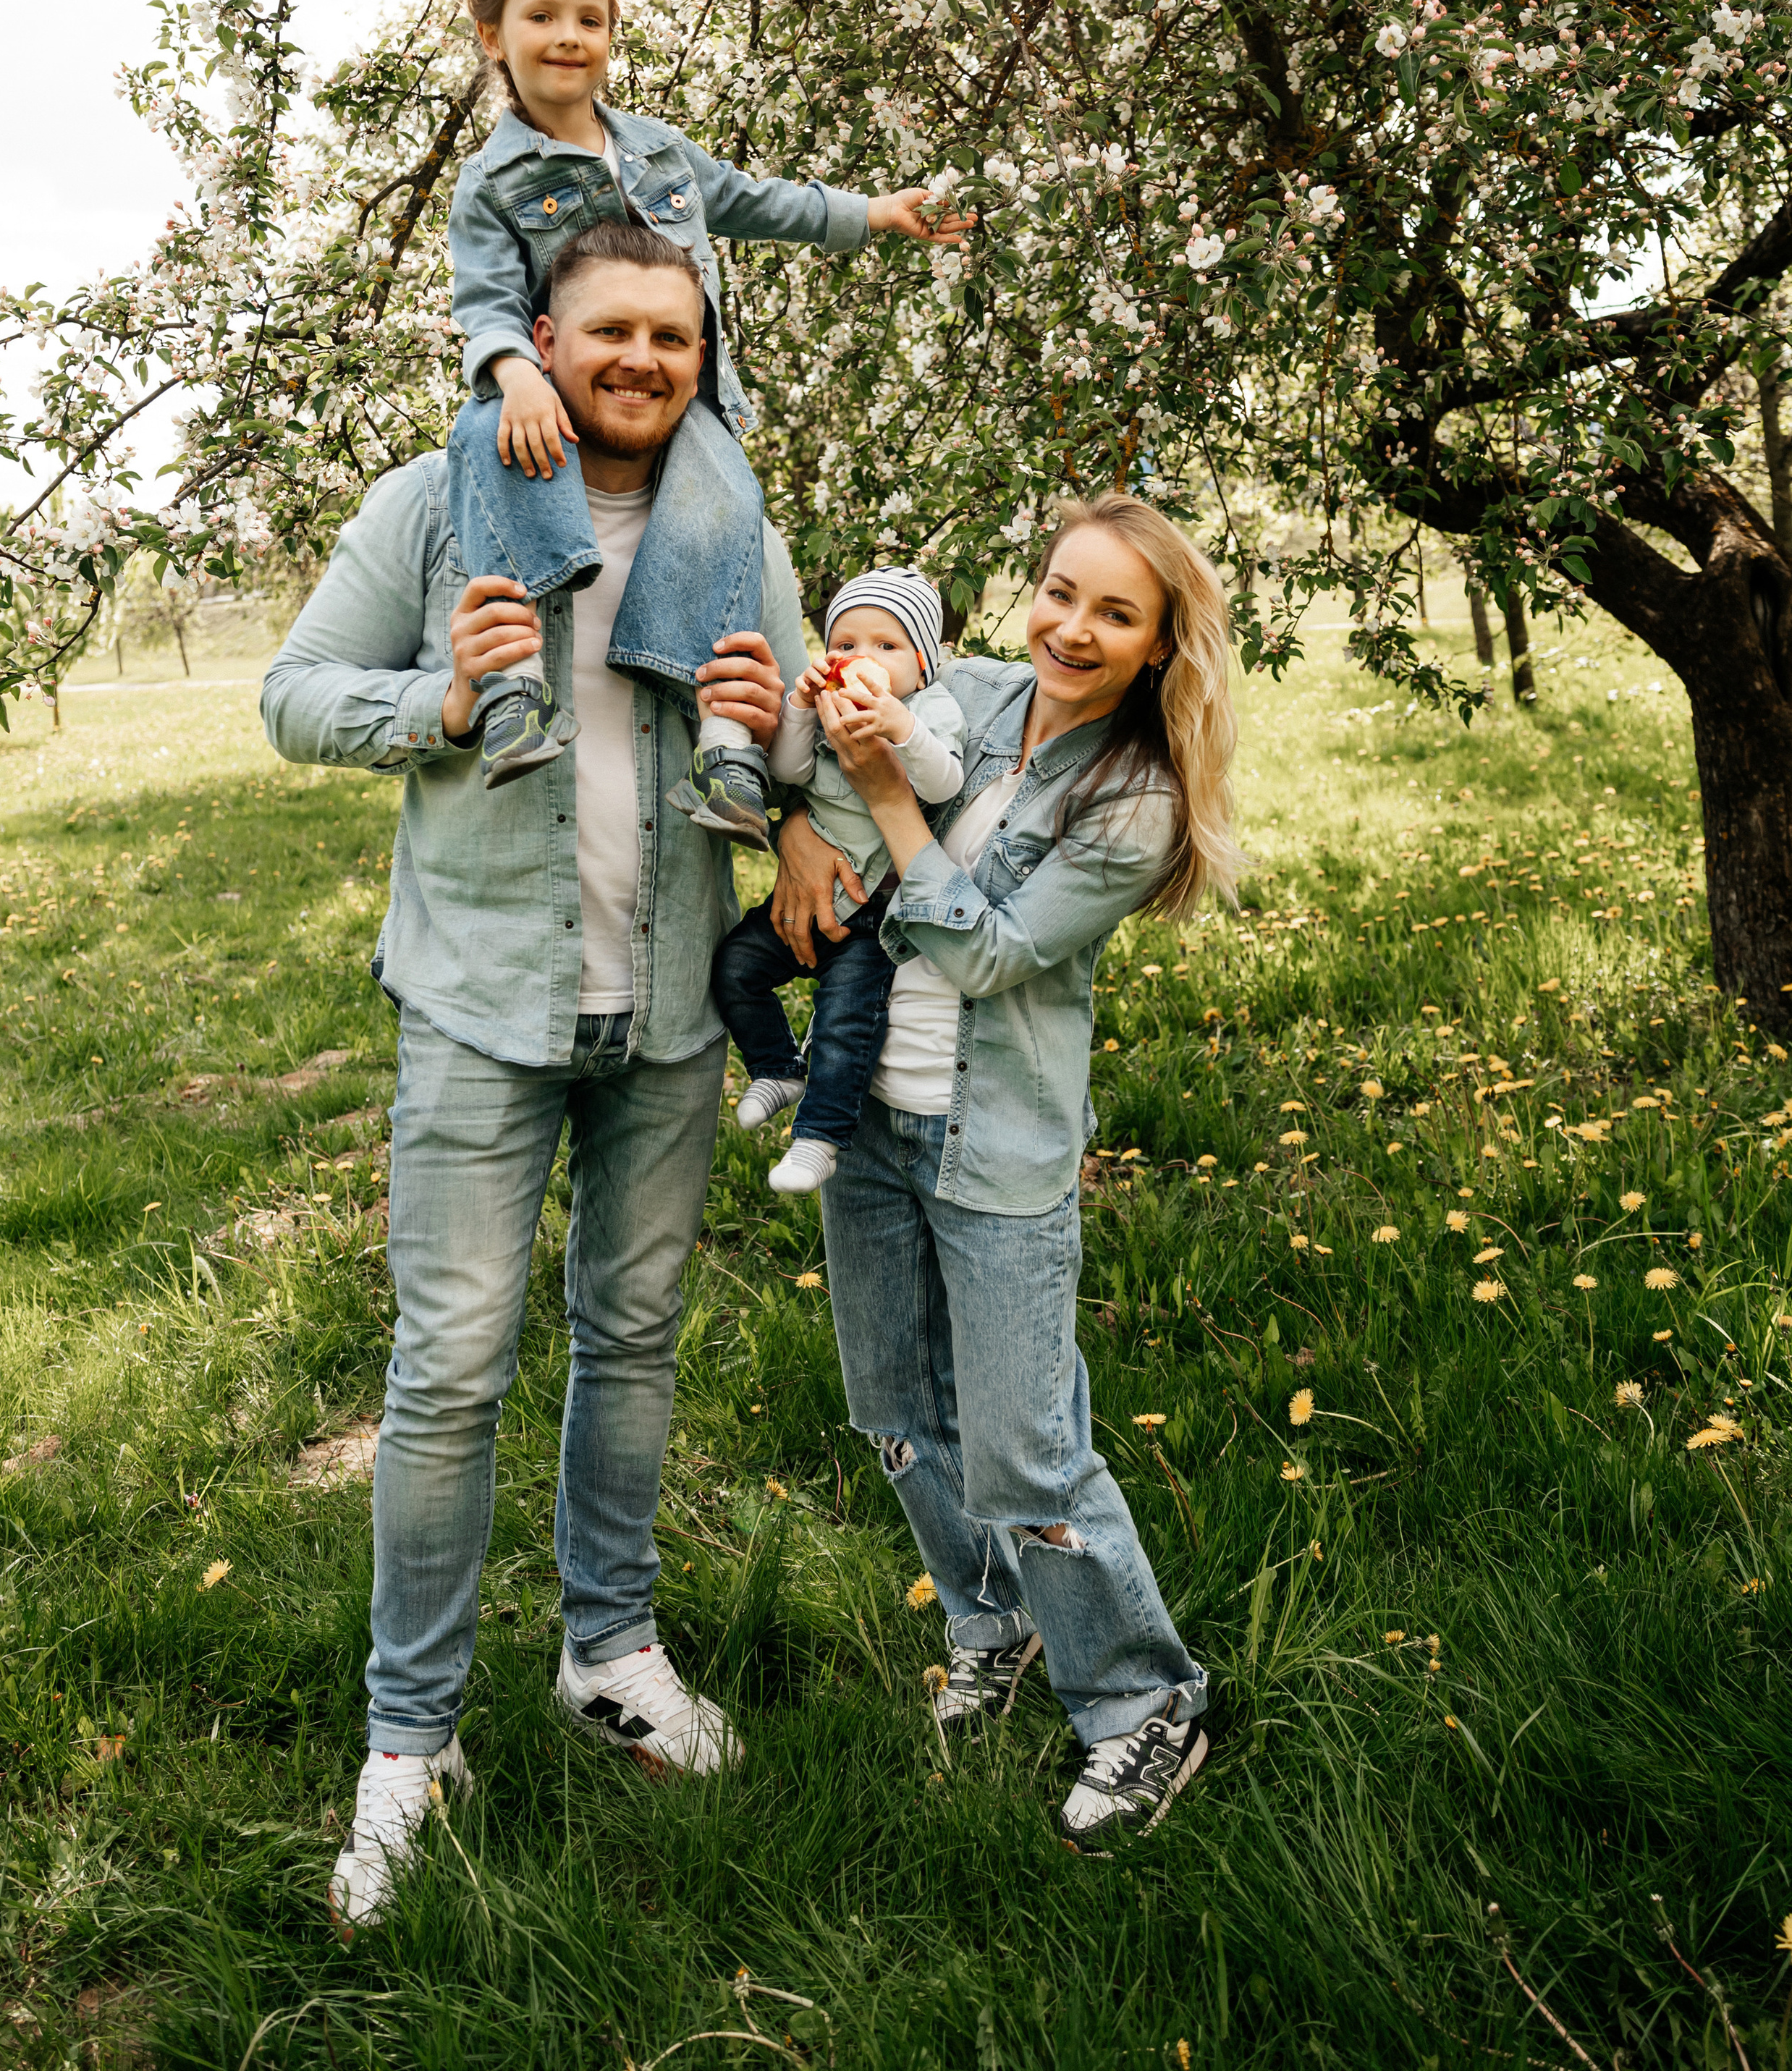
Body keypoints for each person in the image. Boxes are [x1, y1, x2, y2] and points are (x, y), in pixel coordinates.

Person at [261, 221, 807, 1931]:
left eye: (672, 332)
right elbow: (292, 694)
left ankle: (609, 1650)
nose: (641, 358)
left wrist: (774, 728)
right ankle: (410, 1740)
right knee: (449, 1368)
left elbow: (804, 742)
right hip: (482, 1003)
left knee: (632, 1335)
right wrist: (439, 701)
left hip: (658, 1011)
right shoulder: (438, 506)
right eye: (608, 331)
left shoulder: (731, 531)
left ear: (700, 351)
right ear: (539, 343)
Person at [808, 494, 1242, 1843]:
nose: (1074, 627)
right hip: (869, 1119)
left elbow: (987, 951)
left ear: (1161, 647)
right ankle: (995, 1622)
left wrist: (884, 794)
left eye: (1117, 613)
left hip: (993, 1143)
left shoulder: (1137, 803)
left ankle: (1145, 1704)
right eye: (1062, 592)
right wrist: (810, 781)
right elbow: (830, 738)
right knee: (892, 1412)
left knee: (1026, 1453)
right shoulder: (974, 693)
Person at [442, 0, 972, 825]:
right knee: (484, 439)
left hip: (681, 401)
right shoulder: (493, 183)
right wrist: (514, 373)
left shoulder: (659, 151)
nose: (569, 35)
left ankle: (726, 752)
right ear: (494, 36)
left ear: (610, 38)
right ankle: (512, 692)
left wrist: (872, 214)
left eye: (590, 19)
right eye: (542, 16)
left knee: (727, 502)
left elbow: (761, 203)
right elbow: (486, 297)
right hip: (553, 394)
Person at [713, 568, 965, 1195]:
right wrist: (800, 707)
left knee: (845, 1025)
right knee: (735, 968)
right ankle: (776, 1067)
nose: (861, 658)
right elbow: (790, 769)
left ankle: (819, 1139)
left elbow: (944, 784)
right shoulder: (827, 706)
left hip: (869, 914)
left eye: (887, 646)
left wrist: (897, 728)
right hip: (802, 891)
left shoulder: (928, 710)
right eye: (845, 644)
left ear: (922, 664)